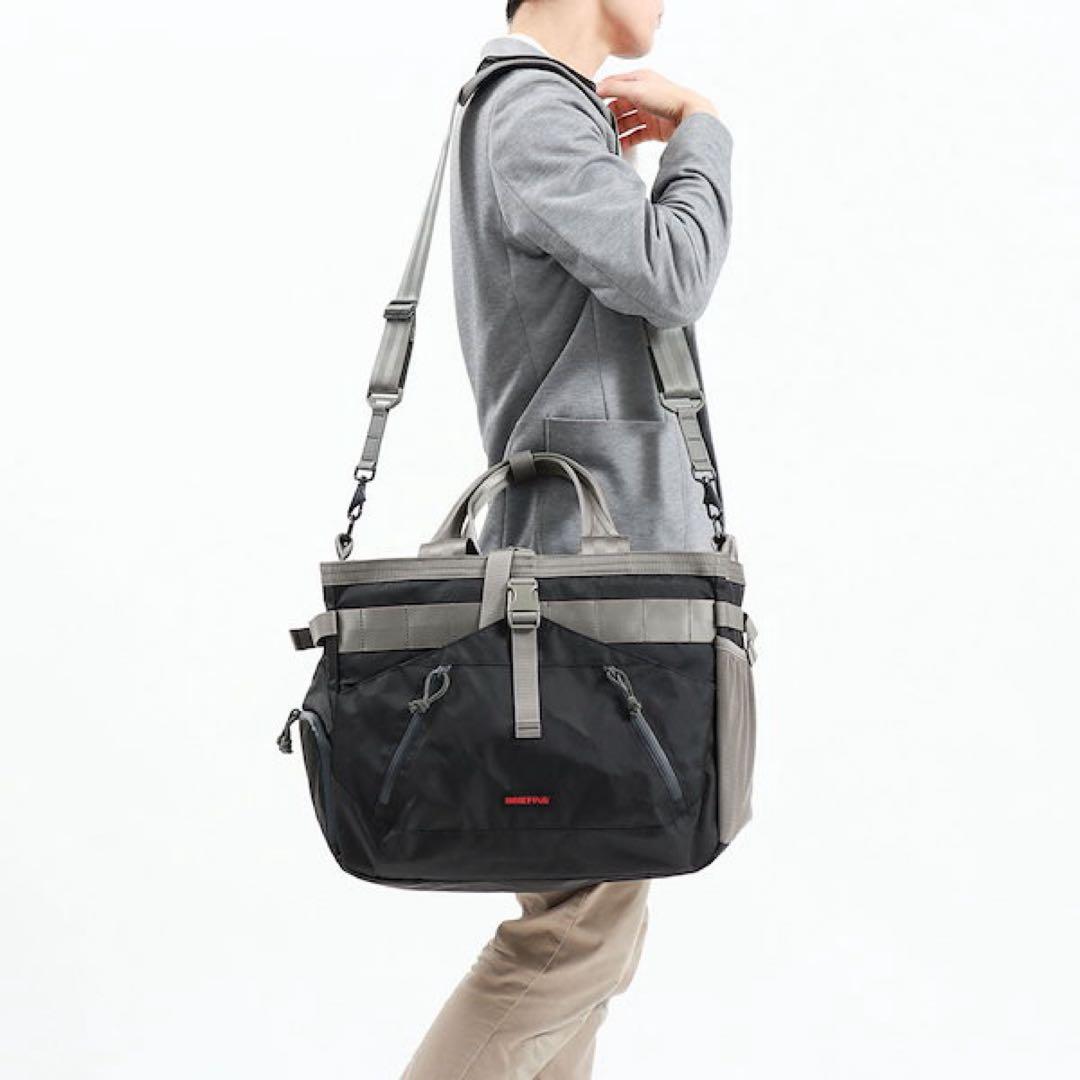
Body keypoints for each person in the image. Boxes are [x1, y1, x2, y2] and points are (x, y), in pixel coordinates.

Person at [400, 2, 733, 1077]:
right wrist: (702, 132)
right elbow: (670, 273)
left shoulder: (536, 110)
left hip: (584, 573)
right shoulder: (533, 107)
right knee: (579, 934)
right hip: (588, 587)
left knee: (584, 918)